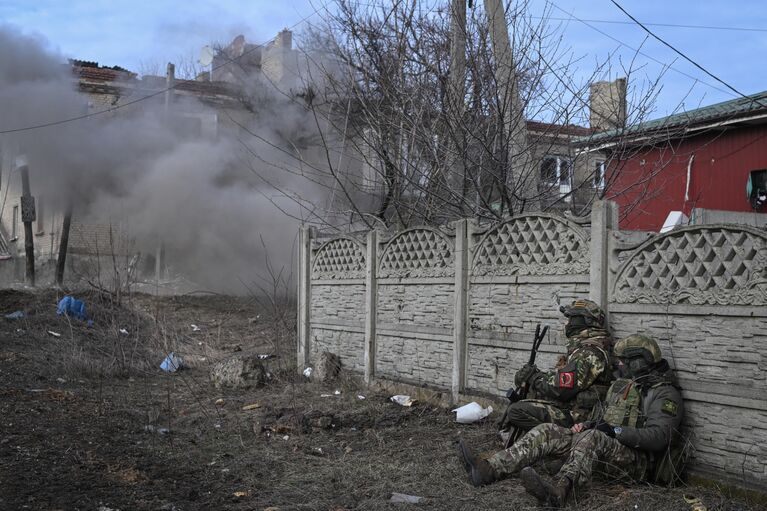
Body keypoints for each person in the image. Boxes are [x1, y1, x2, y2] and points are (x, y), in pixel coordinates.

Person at [459, 334, 685, 508]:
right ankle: (490, 469)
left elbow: (659, 438)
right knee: (548, 430)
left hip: (638, 464)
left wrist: (614, 431)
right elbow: (605, 419)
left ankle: (559, 492)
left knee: (593, 437)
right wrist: (588, 424)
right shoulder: (626, 386)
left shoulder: (664, 394)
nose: (620, 365)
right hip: (609, 447)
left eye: (626, 361)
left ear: (640, 362)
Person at [498, 299, 613, 435]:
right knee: (528, 394)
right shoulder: (584, 348)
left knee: (517, 411)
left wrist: (534, 378)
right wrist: (535, 378)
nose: (566, 323)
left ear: (583, 321)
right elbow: (564, 380)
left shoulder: (589, 353)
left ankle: (559, 438)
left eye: (570, 318)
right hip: (571, 407)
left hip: (579, 418)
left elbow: (562, 389)